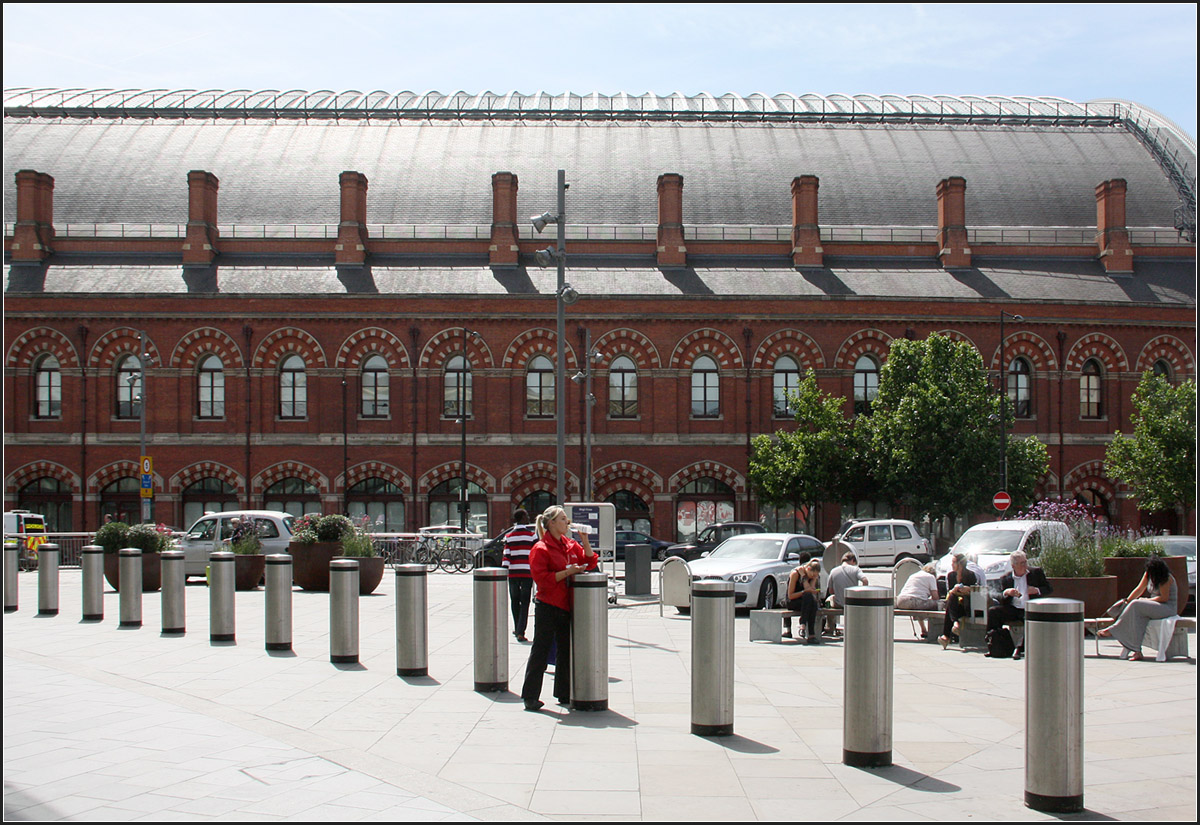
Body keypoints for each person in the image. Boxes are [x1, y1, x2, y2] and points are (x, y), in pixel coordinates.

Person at [521, 505, 599, 711]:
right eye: (563, 519)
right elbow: (542, 580)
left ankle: (563, 692)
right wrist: (567, 572)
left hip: (566, 604)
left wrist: (585, 540)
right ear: (552, 523)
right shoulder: (541, 548)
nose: (568, 522)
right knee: (541, 649)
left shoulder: (570, 544)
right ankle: (530, 696)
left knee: (565, 650)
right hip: (547, 604)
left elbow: (590, 562)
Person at [1098, 557, 1178, 661]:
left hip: (1167, 608)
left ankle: (1113, 629)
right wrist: (1127, 601)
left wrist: (1146, 600)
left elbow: (1164, 598)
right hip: (1155, 606)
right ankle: (1137, 651)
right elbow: (1139, 589)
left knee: (1136, 604)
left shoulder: (1165, 578)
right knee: (1136, 618)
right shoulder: (1148, 574)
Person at [987, 550, 1053, 659]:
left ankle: (1020, 648)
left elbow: (1049, 589)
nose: (1025, 565)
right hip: (1014, 608)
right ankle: (994, 644)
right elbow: (997, 595)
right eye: (1021, 563)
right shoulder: (1006, 578)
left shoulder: (1036, 573)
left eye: (1025, 562)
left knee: (1030, 617)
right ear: (1013, 566)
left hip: (1031, 608)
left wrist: (1036, 590)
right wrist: (1006, 593)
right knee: (993, 612)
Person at [502, 508, 536, 642]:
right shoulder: (532, 536)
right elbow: (536, 554)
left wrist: (504, 571)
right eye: (526, 516)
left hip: (513, 573)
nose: (528, 518)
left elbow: (506, 556)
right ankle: (521, 631)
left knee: (515, 601)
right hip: (527, 572)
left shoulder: (509, 536)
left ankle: (517, 627)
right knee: (525, 602)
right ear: (522, 518)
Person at [939, 553, 979, 649]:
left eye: (953, 562)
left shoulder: (970, 575)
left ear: (960, 564)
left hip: (967, 605)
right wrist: (954, 590)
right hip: (956, 606)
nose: (952, 565)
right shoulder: (951, 576)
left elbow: (975, 592)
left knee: (950, 605)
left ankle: (947, 635)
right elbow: (949, 592)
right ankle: (955, 624)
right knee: (952, 597)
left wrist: (967, 590)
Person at [895, 562, 940, 637]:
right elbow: (935, 597)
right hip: (913, 601)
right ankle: (936, 632)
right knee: (937, 604)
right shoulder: (931, 577)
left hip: (901, 601)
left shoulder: (913, 575)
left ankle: (923, 630)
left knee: (920, 604)